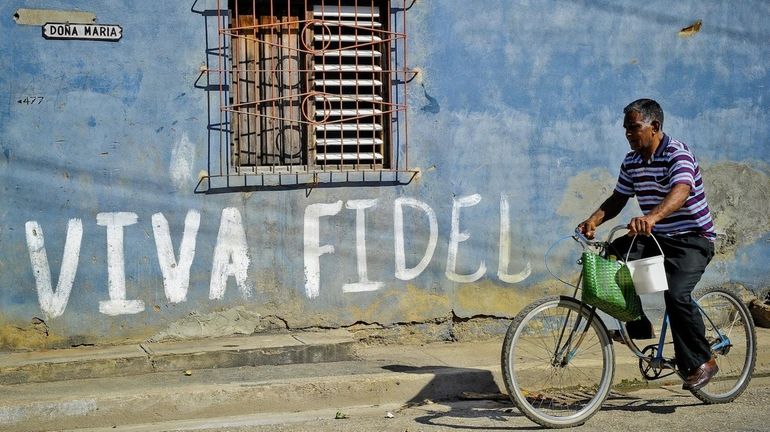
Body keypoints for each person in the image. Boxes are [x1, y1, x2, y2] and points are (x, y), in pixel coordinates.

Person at [577, 98, 718, 391]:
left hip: (693, 239)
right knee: (612, 254)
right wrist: (592, 220)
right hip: (657, 237)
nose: (628, 133)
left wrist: (652, 216)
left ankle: (704, 360)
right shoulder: (632, 161)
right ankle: (639, 321)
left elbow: (681, 191)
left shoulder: (677, 154)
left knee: (677, 296)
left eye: (634, 127)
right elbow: (618, 199)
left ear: (654, 127)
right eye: (626, 128)